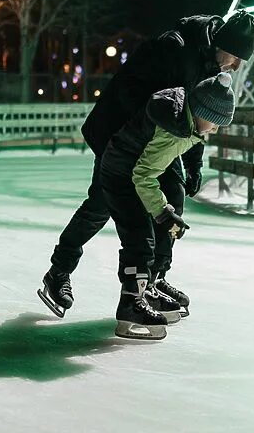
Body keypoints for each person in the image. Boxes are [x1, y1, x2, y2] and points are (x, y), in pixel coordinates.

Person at [39, 11, 254, 317]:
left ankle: (151, 280)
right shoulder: (174, 48)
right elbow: (131, 91)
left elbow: (196, 118)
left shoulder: (210, 62)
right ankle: (58, 272)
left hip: (158, 138)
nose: (234, 65)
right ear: (221, 43)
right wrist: (140, 137)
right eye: (234, 57)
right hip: (121, 135)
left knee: (174, 194)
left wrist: (194, 162)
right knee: (103, 204)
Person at [100, 72, 235, 340]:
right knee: (140, 234)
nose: (216, 129)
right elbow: (143, 175)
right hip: (121, 173)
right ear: (201, 112)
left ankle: (148, 286)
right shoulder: (172, 131)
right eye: (215, 122)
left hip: (133, 171)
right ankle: (130, 303)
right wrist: (162, 211)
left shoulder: (185, 122)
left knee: (163, 223)